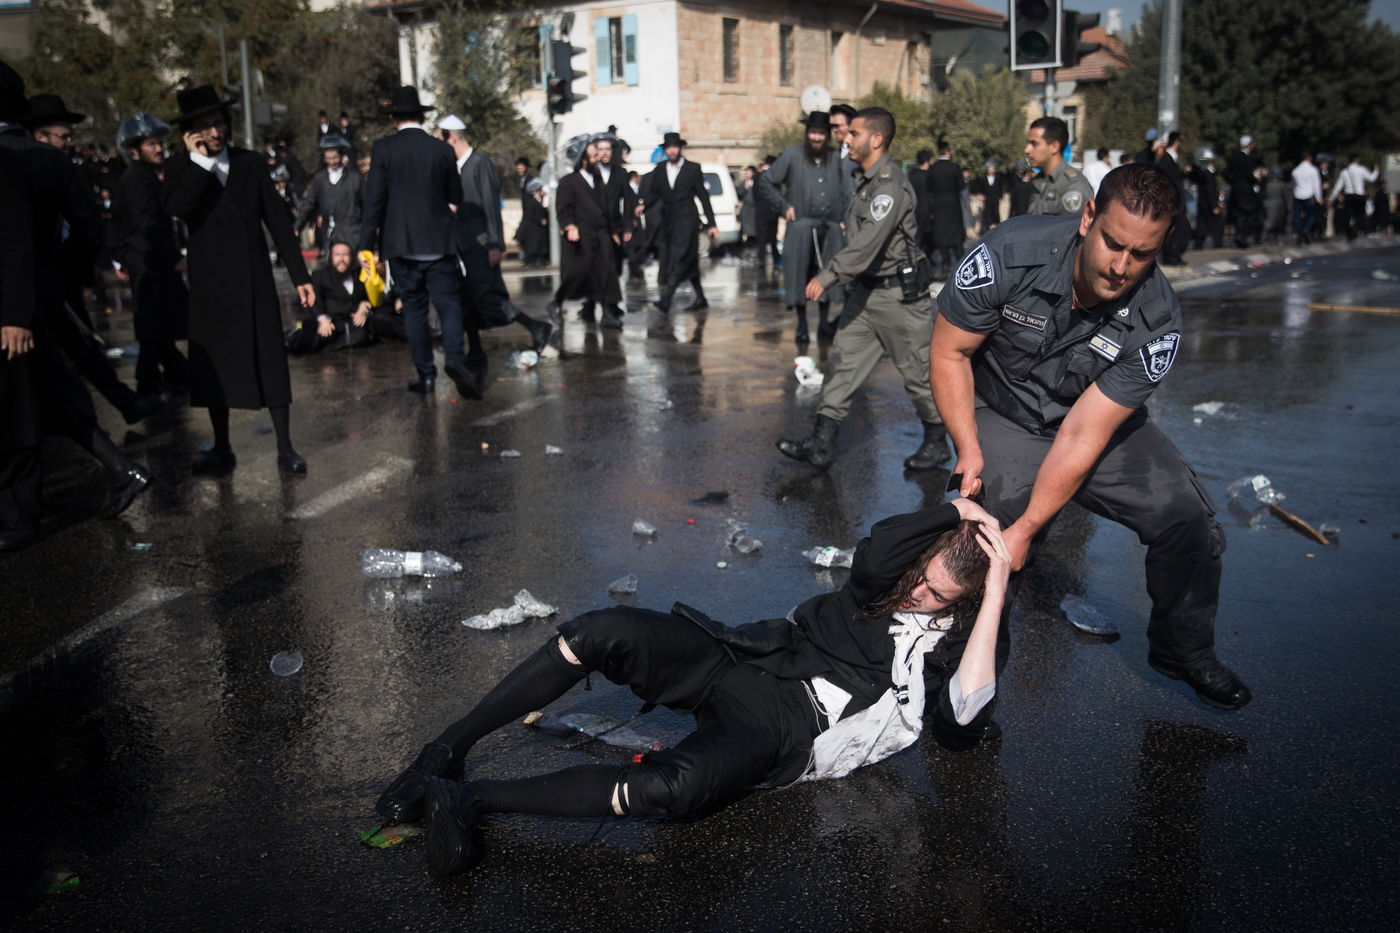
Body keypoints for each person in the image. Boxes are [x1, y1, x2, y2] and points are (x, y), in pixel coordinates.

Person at [375, 497, 1010, 877]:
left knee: (675, 788)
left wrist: (996, 595)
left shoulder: (961, 638)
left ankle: (469, 800)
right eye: (921, 577)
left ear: (969, 599)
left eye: (937, 595)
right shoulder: (890, 579)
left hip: (784, 723)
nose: (915, 594)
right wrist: (956, 510)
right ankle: (446, 750)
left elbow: (960, 725)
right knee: (602, 630)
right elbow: (877, 552)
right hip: (747, 654)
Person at [930, 163, 1251, 713]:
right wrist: (969, 447)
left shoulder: (1157, 320)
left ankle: (1182, 651)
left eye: (1142, 254)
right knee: (987, 533)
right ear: (1087, 218)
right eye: (1113, 243)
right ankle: (965, 685)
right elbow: (949, 352)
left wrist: (1031, 528)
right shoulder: (1010, 253)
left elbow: (1082, 434)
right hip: (1003, 411)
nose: (1122, 266)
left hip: (1089, 426)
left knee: (1186, 518)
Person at [2, 66, 152, 533]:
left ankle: (22, 512)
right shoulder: (52, 162)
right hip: (46, 292)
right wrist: (54, 272)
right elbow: (89, 230)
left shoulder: (12, 158)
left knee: (25, 400)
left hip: (14, 303)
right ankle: (120, 466)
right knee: (46, 391)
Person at [775, 107, 948, 473]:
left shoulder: (889, 185)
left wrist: (828, 275)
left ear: (876, 139)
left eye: (854, 134)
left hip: (898, 298)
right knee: (842, 363)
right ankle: (821, 444)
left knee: (917, 374)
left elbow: (868, 243)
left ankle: (937, 441)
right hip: (866, 293)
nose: (847, 139)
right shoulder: (866, 180)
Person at [160, 85, 315, 476]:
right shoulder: (180, 168)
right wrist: (200, 163)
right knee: (215, 368)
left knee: (271, 362)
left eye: (219, 123)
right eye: (205, 126)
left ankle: (285, 448)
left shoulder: (249, 163)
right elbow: (179, 208)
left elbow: (278, 222)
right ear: (190, 133)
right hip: (210, 286)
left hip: (254, 279)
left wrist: (300, 276)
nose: (215, 132)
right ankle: (222, 446)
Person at [359, 87, 480, 400]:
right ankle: (455, 359)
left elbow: (374, 200)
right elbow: (456, 195)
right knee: (449, 305)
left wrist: (365, 245)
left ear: (393, 118)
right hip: (439, 241)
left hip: (400, 242)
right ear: (422, 117)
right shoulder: (441, 150)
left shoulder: (384, 149)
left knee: (414, 310)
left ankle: (426, 375)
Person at [437, 115, 554, 354]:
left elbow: (491, 206)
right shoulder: (456, 167)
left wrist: (495, 244)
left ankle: (535, 327)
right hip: (462, 244)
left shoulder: (480, 164)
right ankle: (475, 350)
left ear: (451, 139)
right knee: (467, 297)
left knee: (486, 296)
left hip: (480, 244)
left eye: (440, 139)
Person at [111, 111, 190, 398]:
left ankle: (175, 375)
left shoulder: (146, 176)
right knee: (153, 325)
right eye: (151, 144)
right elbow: (146, 224)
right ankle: (150, 383)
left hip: (151, 259)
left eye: (159, 143)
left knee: (160, 325)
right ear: (135, 150)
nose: (159, 149)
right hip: (148, 260)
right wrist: (174, 257)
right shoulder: (137, 178)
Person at [755, 111, 850, 343]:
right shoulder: (792, 155)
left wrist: (844, 217)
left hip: (830, 228)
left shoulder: (836, 158)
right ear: (807, 133)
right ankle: (802, 324)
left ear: (827, 135)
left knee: (827, 274)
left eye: (821, 133)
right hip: (800, 227)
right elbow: (766, 181)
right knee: (798, 275)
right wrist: (783, 206)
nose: (817, 137)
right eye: (813, 132)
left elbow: (848, 191)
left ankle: (824, 323)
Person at [642, 132, 718, 313]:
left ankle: (666, 300)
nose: (672, 150)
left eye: (675, 147)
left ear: (680, 148)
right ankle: (700, 298)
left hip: (688, 220)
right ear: (665, 149)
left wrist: (712, 223)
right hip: (669, 222)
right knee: (688, 261)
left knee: (680, 258)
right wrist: (643, 206)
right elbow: (654, 194)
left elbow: (703, 197)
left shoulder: (693, 168)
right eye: (669, 147)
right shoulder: (660, 169)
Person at [552, 141, 624, 327]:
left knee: (606, 273)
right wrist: (569, 226)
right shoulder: (568, 182)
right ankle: (556, 302)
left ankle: (607, 313)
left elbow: (606, 208)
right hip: (581, 235)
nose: (598, 158)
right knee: (578, 274)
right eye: (593, 156)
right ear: (583, 160)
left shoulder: (597, 179)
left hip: (601, 234)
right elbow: (563, 208)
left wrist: (613, 230)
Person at [288, 240, 404, 352]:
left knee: (368, 330)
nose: (342, 259)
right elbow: (314, 301)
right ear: (331, 257)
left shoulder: (358, 274)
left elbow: (368, 297)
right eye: (337, 255)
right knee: (312, 336)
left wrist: (364, 307)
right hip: (330, 322)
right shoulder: (320, 276)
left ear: (351, 257)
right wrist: (323, 319)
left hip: (353, 322)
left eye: (345, 255)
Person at [577, 134, 633, 323]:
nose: (604, 153)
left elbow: (628, 201)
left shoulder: (620, 173)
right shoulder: (589, 172)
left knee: (614, 266)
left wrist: (628, 227)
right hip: (594, 227)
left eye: (607, 149)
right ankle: (592, 303)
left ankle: (611, 303)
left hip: (614, 228)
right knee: (595, 266)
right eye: (600, 149)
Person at [295, 134, 362, 259]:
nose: (332, 162)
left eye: (335, 158)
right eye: (328, 159)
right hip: (329, 234)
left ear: (341, 156)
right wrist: (297, 226)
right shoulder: (320, 178)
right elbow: (309, 203)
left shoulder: (354, 178)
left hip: (352, 233)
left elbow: (366, 204)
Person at [1023, 117, 1094, 218]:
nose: (1027, 150)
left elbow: (1075, 226)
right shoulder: (1037, 181)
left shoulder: (1073, 186)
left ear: (1054, 147)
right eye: (1028, 143)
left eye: (1034, 144)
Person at [926, 140, 966, 279]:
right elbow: (961, 186)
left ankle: (945, 265)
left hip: (939, 208)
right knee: (957, 238)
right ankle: (961, 265)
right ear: (948, 152)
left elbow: (928, 189)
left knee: (942, 238)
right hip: (953, 207)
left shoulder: (933, 169)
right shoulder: (955, 167)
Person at [1153, 131, 1191, 264]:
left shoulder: (1171, 159)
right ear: (1176, 142)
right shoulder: (1166, 159)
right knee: (1176, 230)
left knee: (1181, 229)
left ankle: (1174, 256)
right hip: (1172, 201)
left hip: (1177, 201)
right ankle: (1171, 256)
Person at [1331, 154, 1379, 243]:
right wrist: (1376, 170)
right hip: (1359, 195)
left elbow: (1338, 186)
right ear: (1357, 160)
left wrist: (1332, 197)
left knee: (1348, 215)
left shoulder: (1344, 171)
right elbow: (1372, 178)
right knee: (1360, 215)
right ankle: (1356, 228)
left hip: (1349, 195)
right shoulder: (1361, 169)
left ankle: (1349, 230)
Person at [1226, 136, 1261, 248]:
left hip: (1235, 191)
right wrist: (1256, 180)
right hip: (1246, 192)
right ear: (1249, 145)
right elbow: (1249, 175)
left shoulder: (1233, 157)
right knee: (1250, 215)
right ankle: (1241, 238)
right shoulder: (1248, 158)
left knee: (1239, 216)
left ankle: (1238, 238)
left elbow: (1227, 173)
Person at [1188, 146, 1223, 251]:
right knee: (1217, 226)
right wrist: (1214, 206)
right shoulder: (1208, 174)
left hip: (1202, 205)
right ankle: (1218, 246)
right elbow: (1210, 191)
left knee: (1201, 227)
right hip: (1209, 205)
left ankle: (1198, 246)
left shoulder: (1202, 174)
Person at [752, 155, 782, 271]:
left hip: (760, 210)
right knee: (773, 237)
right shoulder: (775, 176)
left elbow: (755, 194)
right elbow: (778, 193)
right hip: (772, 211)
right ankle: (776, 258)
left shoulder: (757, 177)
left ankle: (761, 259)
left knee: (761, 237)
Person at [1290, 152, 1324, 246]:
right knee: (1312, 216)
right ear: (1310, 158)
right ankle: (1306, 229)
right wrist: (1319, 197)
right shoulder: (1313, 170)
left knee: (1297, 216)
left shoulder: (1295, 171)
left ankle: (1299, 233)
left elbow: (1293, 185)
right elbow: (1316, 185)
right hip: (1309, 195)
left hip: (1298, 195)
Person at [516, 179, 550, 267]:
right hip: (534, 230)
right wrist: (540, 220)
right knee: (536, 247)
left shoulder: (539, 201)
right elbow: (530, 216)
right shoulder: (532, 202)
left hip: (538, 230)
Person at [969, 160, 1007, 236]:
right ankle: (986, 232)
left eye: (993, 169)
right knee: (986, 214)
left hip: (996, 198)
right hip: (987, 199)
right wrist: (980, 194)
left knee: (996, 214)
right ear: (987, 169)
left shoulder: (999, 177)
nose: (991, 170)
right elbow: (979, 188)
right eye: (990, 169)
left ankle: (997, 231)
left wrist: (1001, 197)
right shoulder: (982, 178)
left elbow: (1000, 188)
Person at [908, 149, 933, 258]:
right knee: (929, 236)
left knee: (918, 236)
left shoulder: (912, 176)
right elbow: (931, 195)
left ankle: (915, 256)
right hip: (927, 210)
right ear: (927, 161)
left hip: (915, 210)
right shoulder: (930, 176)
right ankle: (925, 257)